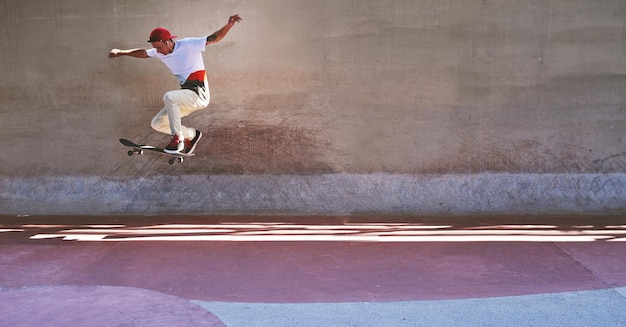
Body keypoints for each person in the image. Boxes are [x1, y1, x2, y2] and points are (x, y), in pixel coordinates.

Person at [109, 14, 242, 154]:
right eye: (156, 49)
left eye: (159, 48)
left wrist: (228, 26)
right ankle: (191, 135)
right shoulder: (159, 52)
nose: (158, 52)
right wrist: (121, 52)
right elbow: (143, 53)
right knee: (157, 123)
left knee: (169, 96)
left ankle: (177, 138)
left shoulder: (189, 45)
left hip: (198, 95)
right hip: (185, 98)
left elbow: (213, 38)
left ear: (168, 42)